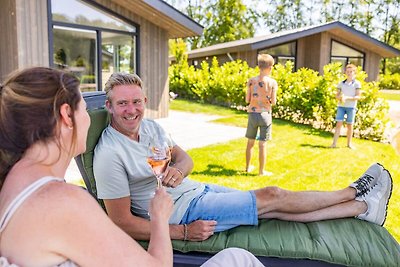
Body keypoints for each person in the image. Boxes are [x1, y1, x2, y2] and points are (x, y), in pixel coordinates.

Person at [0, 67, 262, 267]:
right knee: (240, 259)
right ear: (68, 116)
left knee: (237, 256)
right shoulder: (63, 201)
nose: (90, 120)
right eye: (84, 110)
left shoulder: (12, 185)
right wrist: (159, 216)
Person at [93, 72, 393, 243]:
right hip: (181, 212)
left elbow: (184, 158)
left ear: (145, 101)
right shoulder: (109, 154)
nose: (131, 110)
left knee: (272, 208)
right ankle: (356, 190)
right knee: (272, 195)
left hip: (196, 190)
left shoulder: (152, 128)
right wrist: (182, 232)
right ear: (109, 105)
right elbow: (121, 222)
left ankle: (363, 207)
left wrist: (181, 171)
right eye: (122, 104)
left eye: (136, 101)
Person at [245, 53, 278, 176]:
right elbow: (273, 102)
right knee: (262, 144)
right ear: (270, 67)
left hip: (253, 114)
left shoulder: (251, 81)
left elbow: (247, 100)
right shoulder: (272, 83)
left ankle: (247, 167)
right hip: (265, 115)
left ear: (258, 66)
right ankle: (261, 171)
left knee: (250, 142)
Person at [330, 64, 361, 149]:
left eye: (351, 72)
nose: (349, 73)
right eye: (348, 71)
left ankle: (349, 144)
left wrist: (347, 98)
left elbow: (358, 96)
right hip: (341, 107)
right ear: (345, 72)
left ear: (354, 73)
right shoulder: (341, 83)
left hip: (351, 107)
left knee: (350, 125)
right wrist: (340, 98)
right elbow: (337, 96)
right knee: (338, 124)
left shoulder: (357, 84)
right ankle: (334, 144)